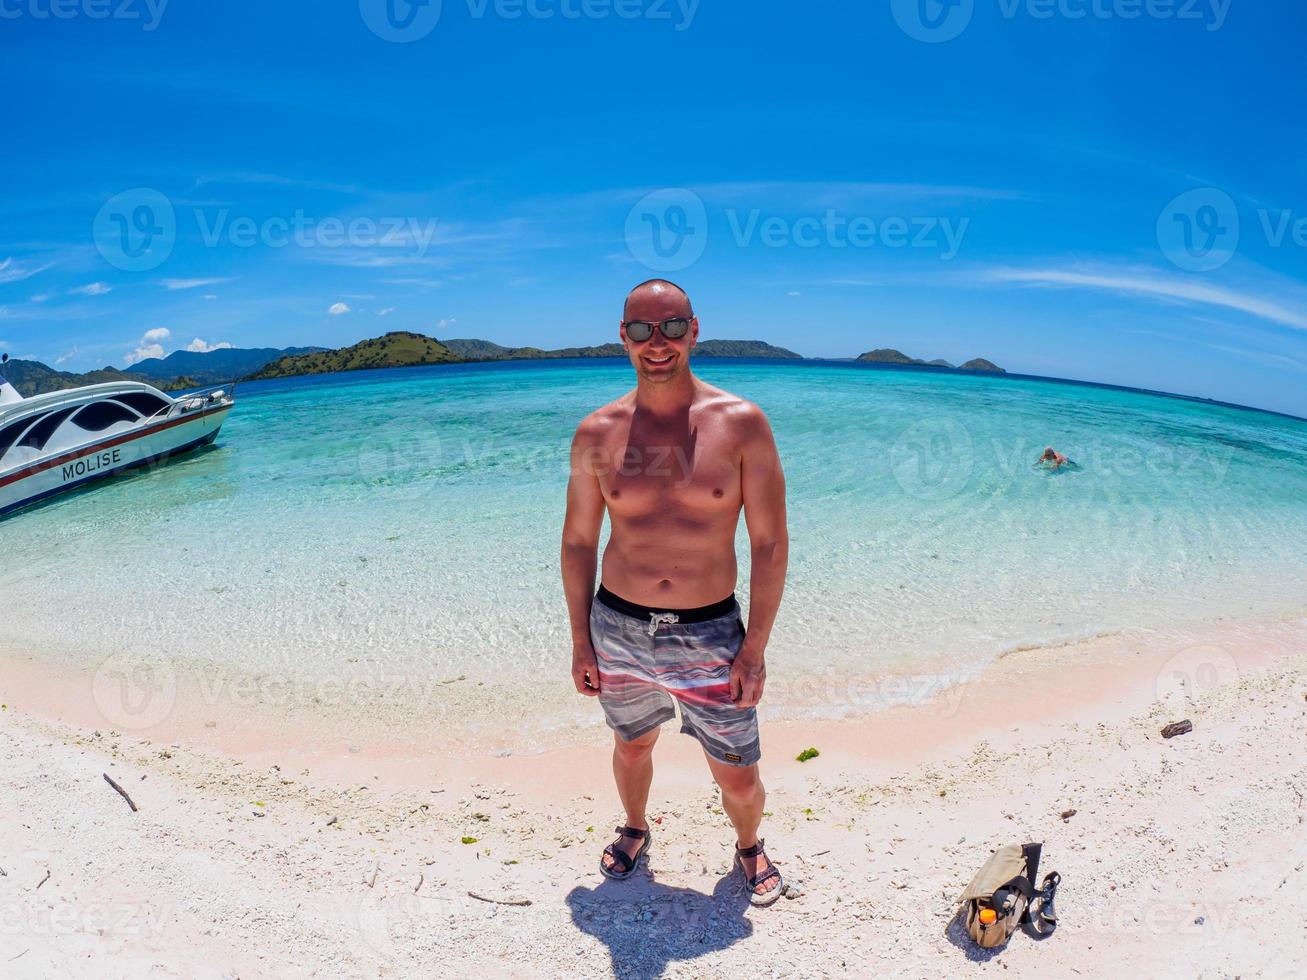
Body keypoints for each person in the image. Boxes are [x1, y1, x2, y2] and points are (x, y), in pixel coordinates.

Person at [560, 279, 789, 906]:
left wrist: (755, 648)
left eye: (669, 327)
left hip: (711, 631)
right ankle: (636, 827)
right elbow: (580, 542)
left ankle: (747, 844)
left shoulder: (742, 425)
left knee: (738, 777)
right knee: (631, 746)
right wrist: (581, 641)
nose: (655, 343)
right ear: (623, 337)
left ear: (694, 330)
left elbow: (769, 542)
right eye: (640, 330)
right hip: (618, 625)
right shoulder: (596, 433)